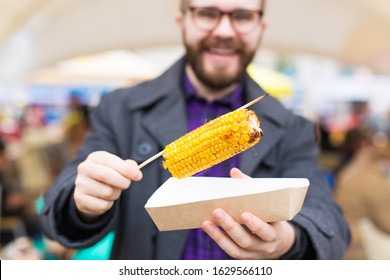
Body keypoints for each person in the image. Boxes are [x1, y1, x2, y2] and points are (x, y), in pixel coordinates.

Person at [40, 0, 350, 259]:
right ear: (182, 21)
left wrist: (289, 240)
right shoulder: (120, 109)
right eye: (207, 13)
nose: (225, 31)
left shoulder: (293, 127)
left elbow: (330, 222)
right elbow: (59, 217)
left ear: (261, 28)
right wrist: (84, 203)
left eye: (242, 16)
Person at [334, 129, 390, 259]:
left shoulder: (354, 167)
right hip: (359, 248)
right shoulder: (372, 181)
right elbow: (387, 223)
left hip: (346, 238)